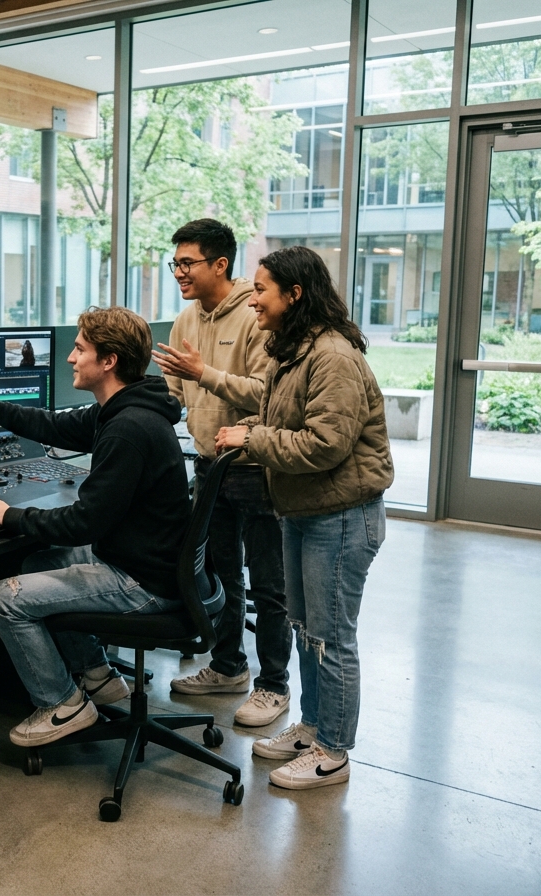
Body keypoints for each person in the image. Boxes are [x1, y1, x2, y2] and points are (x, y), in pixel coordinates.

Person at [0, 307, 190, 748]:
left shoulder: (128, 429)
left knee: (6, 598)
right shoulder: (127, 407)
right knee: (39, 561)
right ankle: (98, 675)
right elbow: (54, 424)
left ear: (108, 362)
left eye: (80, 349)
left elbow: (81, 522)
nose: (70, 357)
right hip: (150, 561)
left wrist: (8, 514)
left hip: (141, 582)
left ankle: (63, 703)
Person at [215, 245, 393, 790]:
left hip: (341, 516)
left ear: (295, 295)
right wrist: (250, 429)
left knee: (332, 637)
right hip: (302, 509)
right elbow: (279, 416)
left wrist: (252, 436)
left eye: (262, 290)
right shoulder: (292, 351)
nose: (253, 301)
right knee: (306, 631)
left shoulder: (333, 356)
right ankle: (313, 725)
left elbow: (326, 444)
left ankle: (333, 752)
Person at [154, 219, 292, 728]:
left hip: (256, 467)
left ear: (220, 264)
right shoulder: (185, 321)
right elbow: (171, 392)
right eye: (176, 263)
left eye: (187, 263)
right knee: (220, 574)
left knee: (270, 585)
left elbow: (268, 394)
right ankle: (229, 665)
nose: (179, 272)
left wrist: (203, 374)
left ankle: (274, 685)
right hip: (209, 466)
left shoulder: (258, 317)